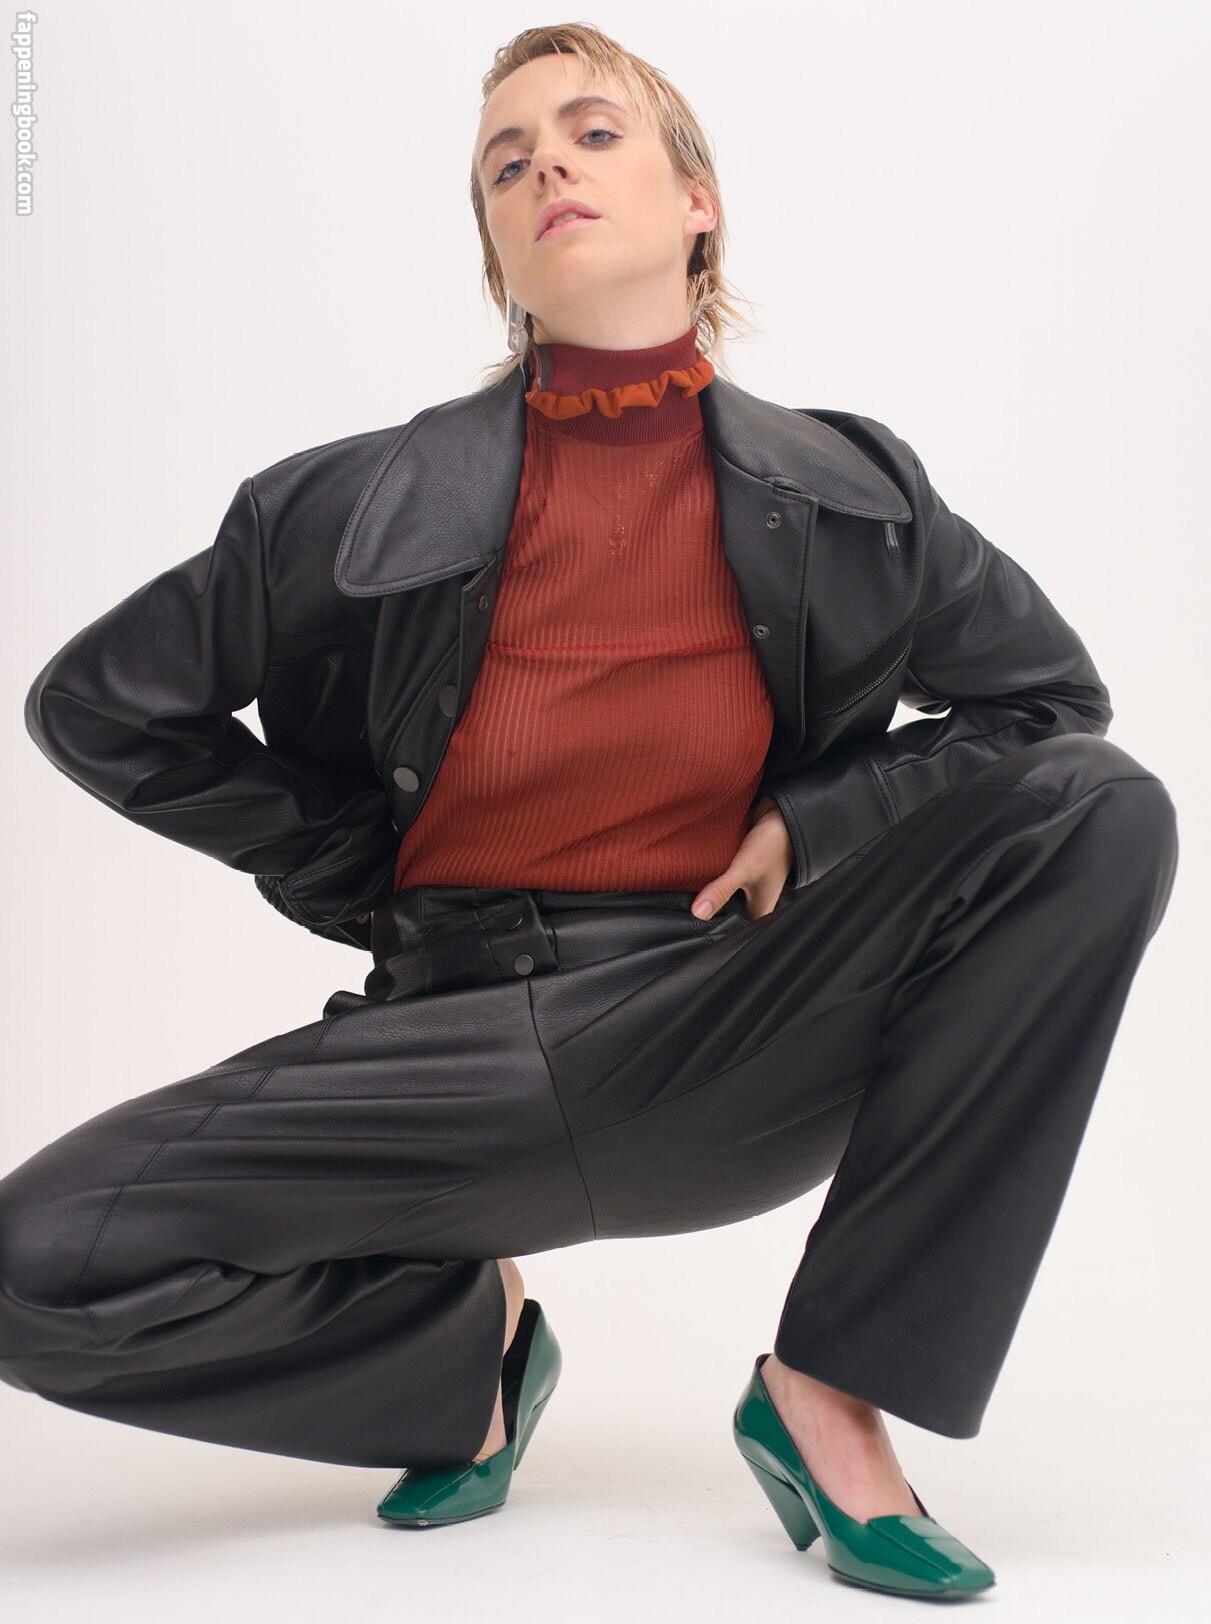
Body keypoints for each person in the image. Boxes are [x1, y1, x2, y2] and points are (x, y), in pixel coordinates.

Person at [0, 21, 1178, 1600]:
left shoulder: (860, 498)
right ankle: (461, 1361)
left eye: (592, 132)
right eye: (507, 161)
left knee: (1098, 810)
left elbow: (1047, 707)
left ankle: (830, 1390)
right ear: (498, 251)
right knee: (29, 1268)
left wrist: (823, 823)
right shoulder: (345, 508)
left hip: (728, 1018)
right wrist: (359, 866)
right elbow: (99, 705)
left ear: (698, 200)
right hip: (443, 1053)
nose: (546, 162)